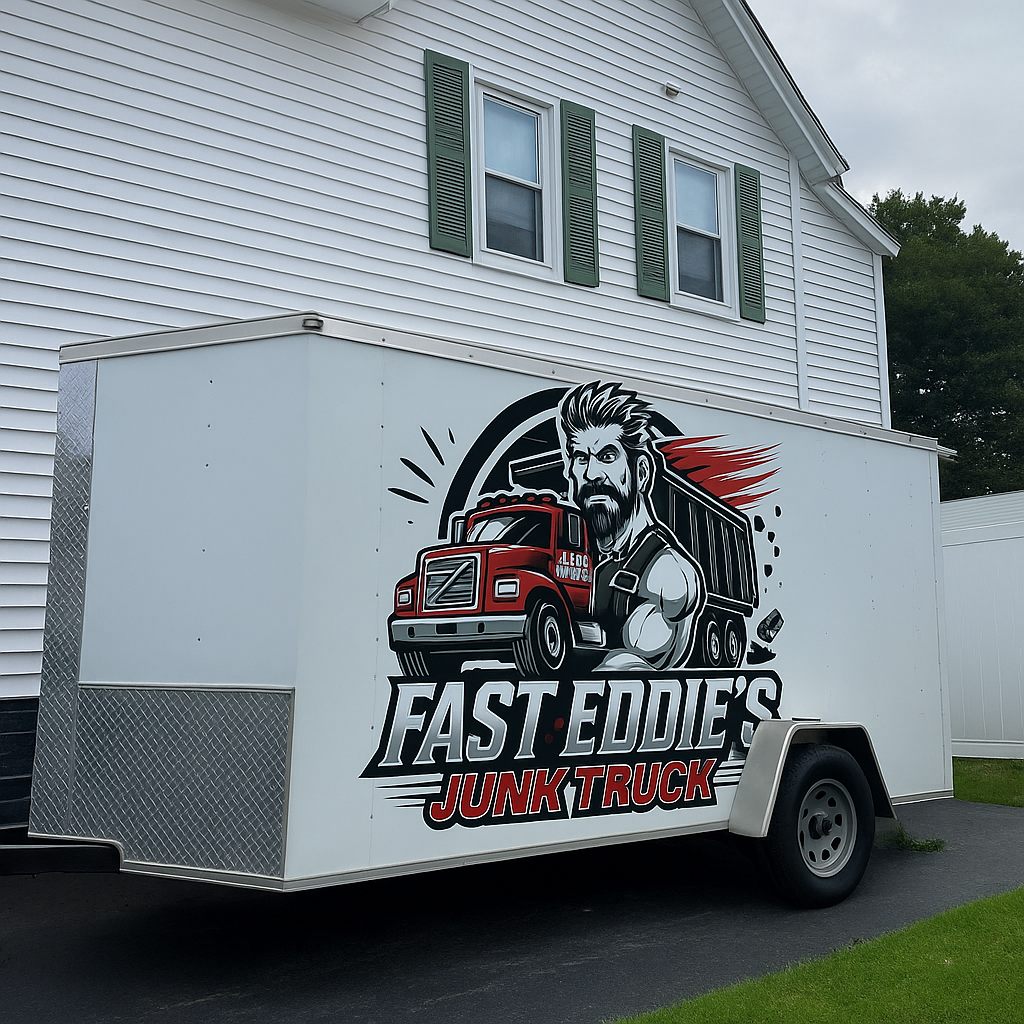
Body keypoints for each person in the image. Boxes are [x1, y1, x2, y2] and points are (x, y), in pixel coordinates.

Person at [558, 381, 705, 670]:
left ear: (641, 471)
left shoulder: (666, 575)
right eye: (581, 458)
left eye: (607, 457)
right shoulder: (577, 556)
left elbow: (631, 667)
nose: (592, 473)